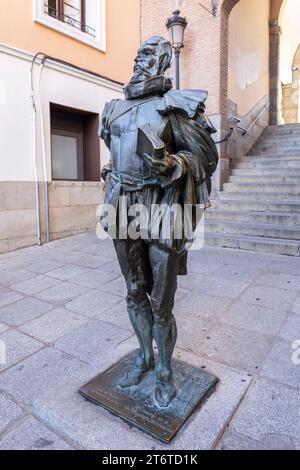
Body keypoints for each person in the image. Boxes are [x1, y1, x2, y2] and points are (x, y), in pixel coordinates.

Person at [100, 36, 218, 407]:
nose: (141, 59)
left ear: (164, 63)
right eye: (140, 53)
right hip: (122, 204)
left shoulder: (176, 107)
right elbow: (113, 153)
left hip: (162, 206)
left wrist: (174, 163)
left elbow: (205, 158)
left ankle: (164, 370)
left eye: (150, 55)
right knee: (134, 290)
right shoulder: (113, 109)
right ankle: (145, 357)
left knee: (160, 302)